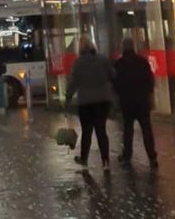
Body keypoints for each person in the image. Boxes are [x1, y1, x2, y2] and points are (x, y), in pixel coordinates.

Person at [66, 35, 115, 172]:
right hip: (103, 100)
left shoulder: (78, 63)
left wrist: (68, 97)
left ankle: (84, 159)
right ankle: (105, 161)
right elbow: (112, 75)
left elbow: (73, 83)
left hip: (86, 102)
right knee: (101, 131)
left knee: (87, 132)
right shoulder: (103, 60)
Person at [113, 38, 158, 167]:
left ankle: (127, 154)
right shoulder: (142, 62)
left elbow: (115, 83)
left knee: (128, 129)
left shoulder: (119, 64)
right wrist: (148, 94)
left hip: (127, 102)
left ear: (123, 48)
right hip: (142, 101)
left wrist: (119, 95)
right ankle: (152, 156)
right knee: (146, 129)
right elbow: (150, 81)